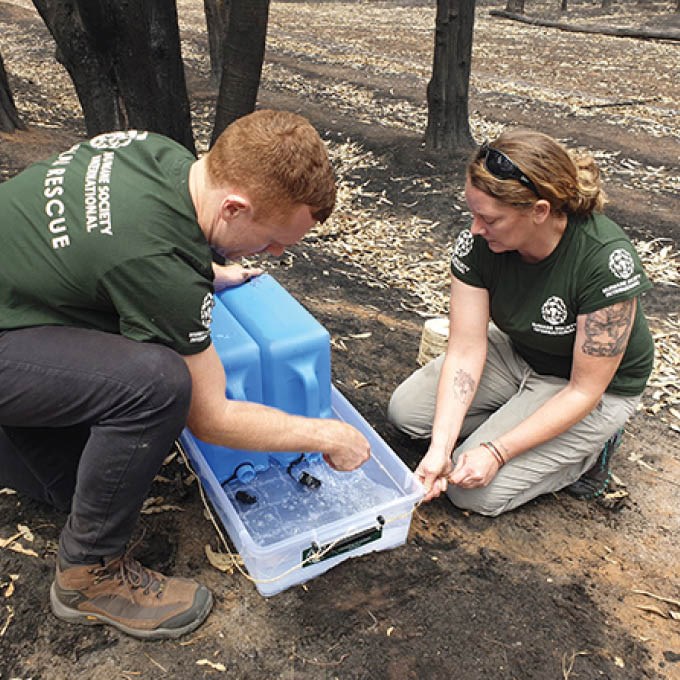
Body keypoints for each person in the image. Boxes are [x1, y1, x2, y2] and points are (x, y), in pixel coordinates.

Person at [0, 110, 370, 639]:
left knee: (84, 480)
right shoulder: (155, 266)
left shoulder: (160, 154)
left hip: (15, 295)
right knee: (155, 386)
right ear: (234, 207)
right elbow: (211, 418)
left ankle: (30, 451)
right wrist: (328, 434)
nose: (275, 253)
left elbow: (119, 241)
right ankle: (87, 575)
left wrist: (206, 271)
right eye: (272, 240)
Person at [388, 129, 654, 517]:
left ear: (539, 211)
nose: (475, 228)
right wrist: (440, 448)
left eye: (489, 219)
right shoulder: (480, 244)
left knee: (472, 494)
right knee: (407, 415)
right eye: (474, 214)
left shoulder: (603, 261)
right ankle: (515, 415)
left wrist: (497, 451)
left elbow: (584, 390)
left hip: (587, 387)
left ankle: (590, 453)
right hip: (521, 350)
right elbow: (466, 348)